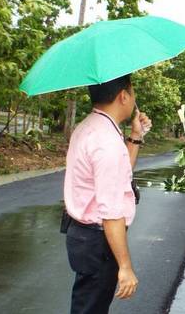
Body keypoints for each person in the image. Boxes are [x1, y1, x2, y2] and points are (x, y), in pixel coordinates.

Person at [61, 74, 152, 314]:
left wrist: (136, 136)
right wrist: (125, 266)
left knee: (87, 304)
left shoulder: (90, 127)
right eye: (132, 93)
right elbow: (111, 212)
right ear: (123, 96)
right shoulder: (106, 142)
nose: (134, 99)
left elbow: (119, 177)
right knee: (90, 308)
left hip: (84, 237)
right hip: (97, 242)